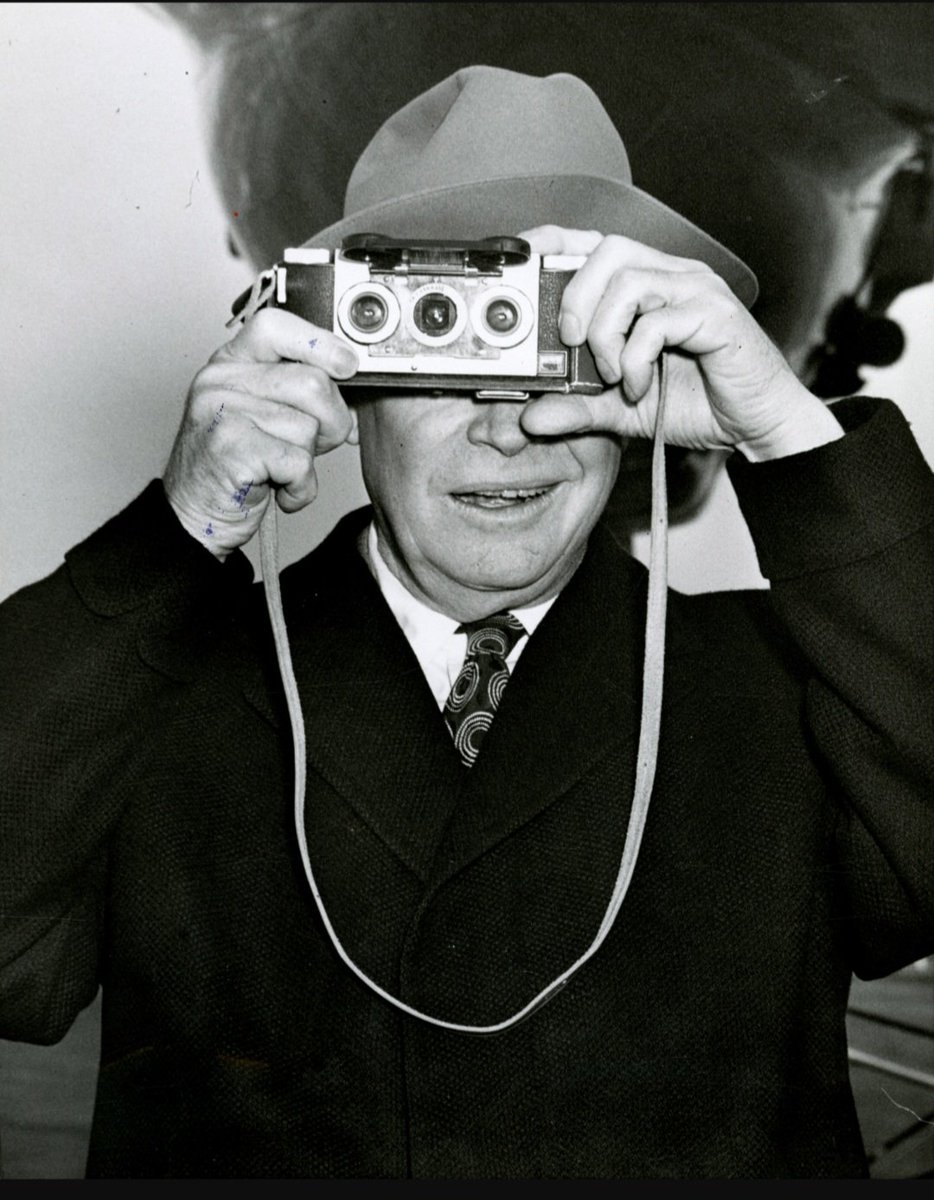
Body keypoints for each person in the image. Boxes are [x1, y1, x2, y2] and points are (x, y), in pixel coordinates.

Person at [1, 65, 931, 1180]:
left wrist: (784, 431)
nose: (512, 430)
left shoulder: (801, 684)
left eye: (556, 352)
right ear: (344, 374)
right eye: (448, 346)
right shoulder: (152, 680)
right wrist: (179, 531)